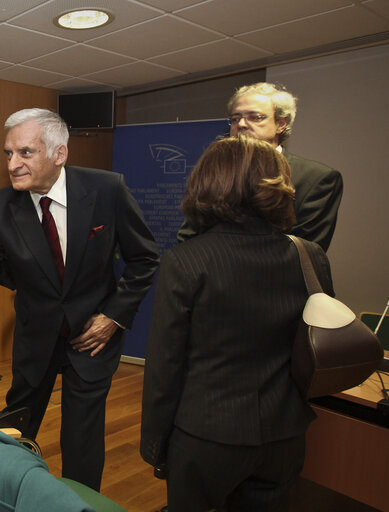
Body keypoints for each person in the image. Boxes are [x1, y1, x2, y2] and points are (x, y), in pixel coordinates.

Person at [0, 108, 160, 490]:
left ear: (59, 153)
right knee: (15, 431)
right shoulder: (1, 206)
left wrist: (113, 317)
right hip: (35, 339)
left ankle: (78, 502)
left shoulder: (106, 190)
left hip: (93, 340)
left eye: (25, 153)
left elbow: (145, 259)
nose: (12, 164)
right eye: (9, 153)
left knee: (82, 441)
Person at [141, 135, 333, 511]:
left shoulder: (187, 260)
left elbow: (166, 366)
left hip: (207, 434)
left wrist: (155, 445)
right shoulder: (310, 256)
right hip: (285, 433)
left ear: (208, 183)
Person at [178, 82, 343, 251]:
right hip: (209, 270)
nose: (241, 124)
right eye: (235, 118)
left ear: (281, 124)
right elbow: (189, 234)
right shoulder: (216, 172)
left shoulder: (316, 178)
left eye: (255, 117)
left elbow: (305, 250)